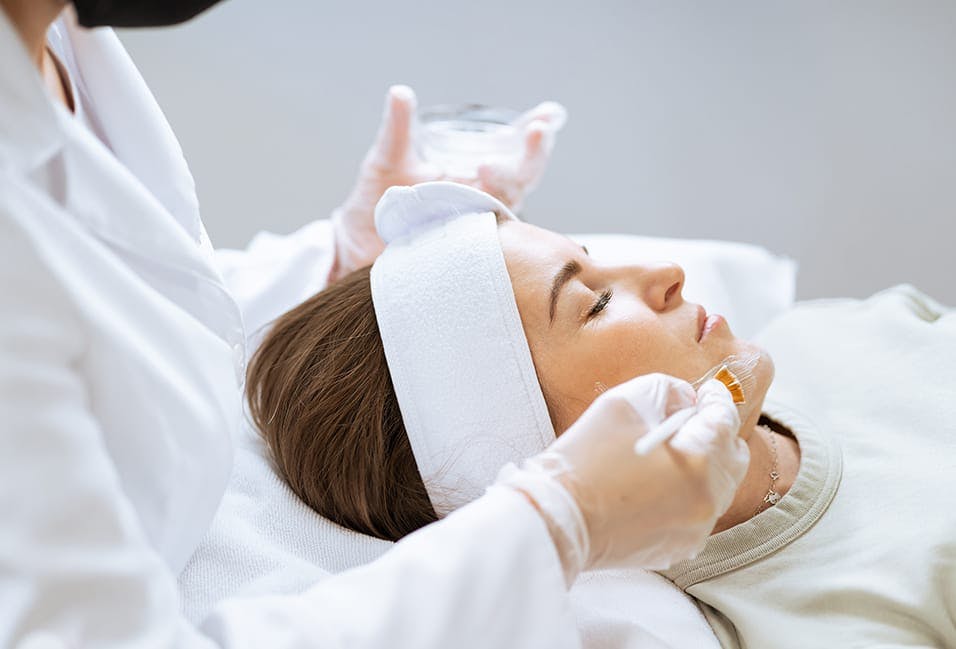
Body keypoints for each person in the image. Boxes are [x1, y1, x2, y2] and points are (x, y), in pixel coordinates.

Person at [0, 2, 752, 647]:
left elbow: (117, 297)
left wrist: (337, 258)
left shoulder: (55, 40)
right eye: (589, 302)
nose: (668, 272)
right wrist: (560, 521)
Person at [248, 181, 956, 648]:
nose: (664, 273)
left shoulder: (831, 332)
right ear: (558, 441)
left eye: (597, 261)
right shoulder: (811, 627)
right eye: (594, 303)